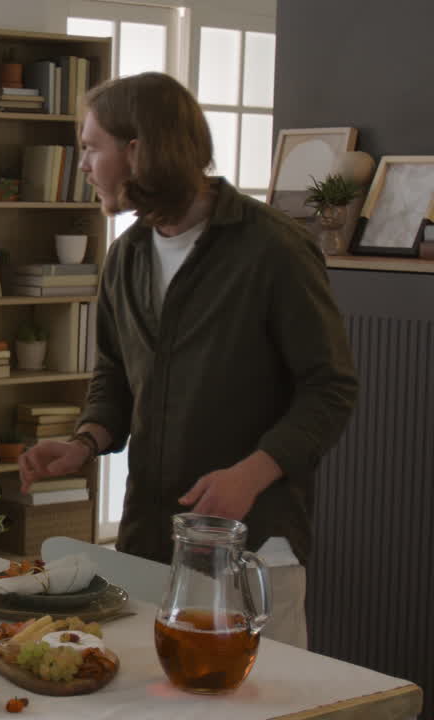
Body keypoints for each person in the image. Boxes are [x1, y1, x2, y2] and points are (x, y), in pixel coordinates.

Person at [18, 73, 357, 645]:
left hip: (254, 548)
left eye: (91, 147)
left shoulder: (274, 249)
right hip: (149, 545)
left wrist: (250, 474)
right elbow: (115, 376)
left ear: (136, 151)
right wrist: (85, 442)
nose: (84, 166)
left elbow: (331, 388)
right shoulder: (126, 256)